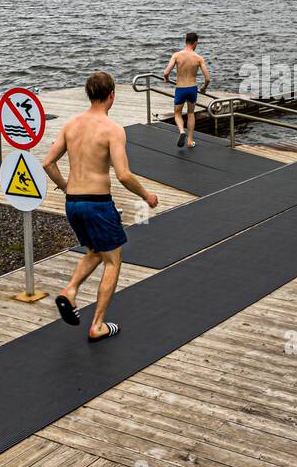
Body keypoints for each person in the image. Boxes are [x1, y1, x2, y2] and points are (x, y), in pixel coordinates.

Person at [41, 70, 157, 341]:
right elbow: (124, 174)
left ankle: (69, 291)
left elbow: (48, 163)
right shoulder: (112, 129)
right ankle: (98, 325)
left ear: (89, 94)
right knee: (113, 260)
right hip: (97, 203)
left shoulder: (71, 125)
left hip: (73, 204)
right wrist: (146, 196)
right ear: (112, 95)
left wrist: (67, 187)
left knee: (95, 250)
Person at [161, 31, 211, 148]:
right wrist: (203, 88)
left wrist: (167, 79)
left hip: (181, 88)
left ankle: (181, 132)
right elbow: (208, 79)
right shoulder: (198, 58)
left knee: (177, 113)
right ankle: (190, 141)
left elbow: (166, 72)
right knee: (190, 113)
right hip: (192, 89)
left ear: (186, 41)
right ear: (195, 43)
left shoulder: (177, 55)